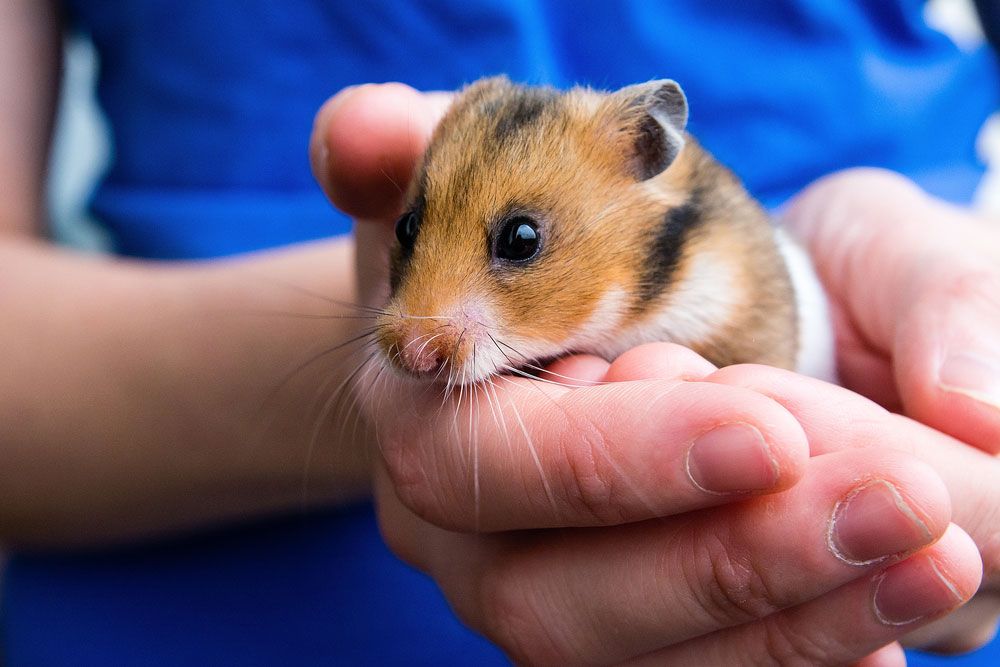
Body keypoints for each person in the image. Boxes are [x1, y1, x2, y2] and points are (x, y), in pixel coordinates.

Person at [1, 1, 998, 665]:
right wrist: (375, 409)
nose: (418, 327)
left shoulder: (697, 250)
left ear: (648, 157)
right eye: (412, 238)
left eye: (518, 241)